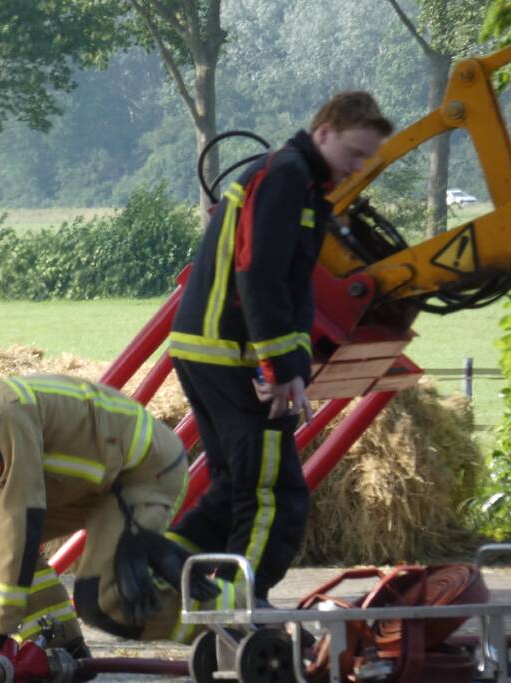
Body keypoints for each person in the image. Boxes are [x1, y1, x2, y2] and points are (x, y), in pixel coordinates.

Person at [166, 92, 393, 603]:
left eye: (365, 159)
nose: (357, 167)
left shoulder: (303, 184)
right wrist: (279, 369)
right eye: (354, 153)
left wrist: (290, 362)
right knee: (273, 492)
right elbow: (261, 275)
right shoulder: (286, 176)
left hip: (211, 349)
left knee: (233, 484)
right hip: (232, 354)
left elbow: (291, 286)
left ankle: (160, 563)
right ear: (325, 131)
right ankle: (241, 605)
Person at [0, 375, 220, 679]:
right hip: (91, 487)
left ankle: (230, 619)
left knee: (105, 601)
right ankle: (59, 643)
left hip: (141, 470)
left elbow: (19, 520)